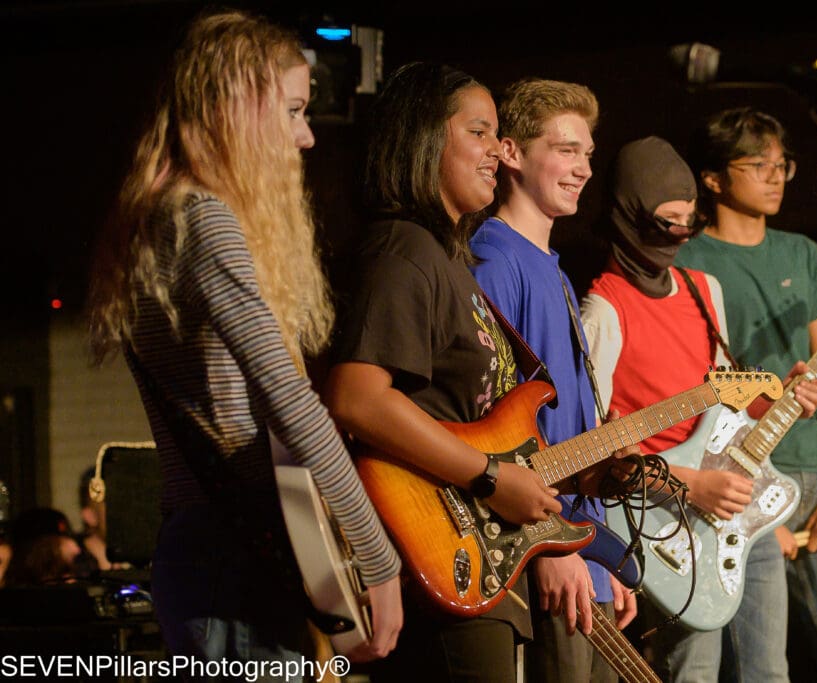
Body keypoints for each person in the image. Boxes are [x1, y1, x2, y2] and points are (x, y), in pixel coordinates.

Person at [85, 9, 402, 668]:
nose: (307, 136)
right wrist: (377, 557)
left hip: (201, 548)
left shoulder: (157, 216)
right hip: (233, 561)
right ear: (237, 109)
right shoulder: (205, 219)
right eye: (291, 110)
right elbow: (288, 397)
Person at [324, 62, 563, 683]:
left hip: (478, 550)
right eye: (480, 132)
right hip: (437, 547)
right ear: (425, 139)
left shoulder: (445, 258)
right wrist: (488, 478)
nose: (498, 150)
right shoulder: (403, 248)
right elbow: (357, 399)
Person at [580, 136, 817, 682]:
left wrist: (784, 398)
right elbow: (591, 444)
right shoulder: (604, 309)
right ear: (628, 217)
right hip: (666, 521)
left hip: (738, 506)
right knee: (693, 674)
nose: (678, 237)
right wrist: (689, 485)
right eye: (665, 224)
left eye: (687, 224)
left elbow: (724, 401)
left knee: (770, 674)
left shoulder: (702, 288)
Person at [676, 107, 817, 681]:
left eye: (782, 164)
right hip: (736, 485)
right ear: (713, 179)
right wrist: (761, 521)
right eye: (757, 164)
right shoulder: (690, 262)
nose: (775, 176)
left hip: (812, 479)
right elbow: (695, 388)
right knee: (758, 665)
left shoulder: (802, 253)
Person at [469, 77, 636, 683]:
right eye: (566, 150)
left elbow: (569, 431)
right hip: (543, 552)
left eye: (588, 154)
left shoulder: (558, 274)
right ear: (511, 153)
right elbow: (489, 433)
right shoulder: (494, 259)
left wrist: (604, 552)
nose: (584, 168)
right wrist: (546, 542)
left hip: (582, 554)